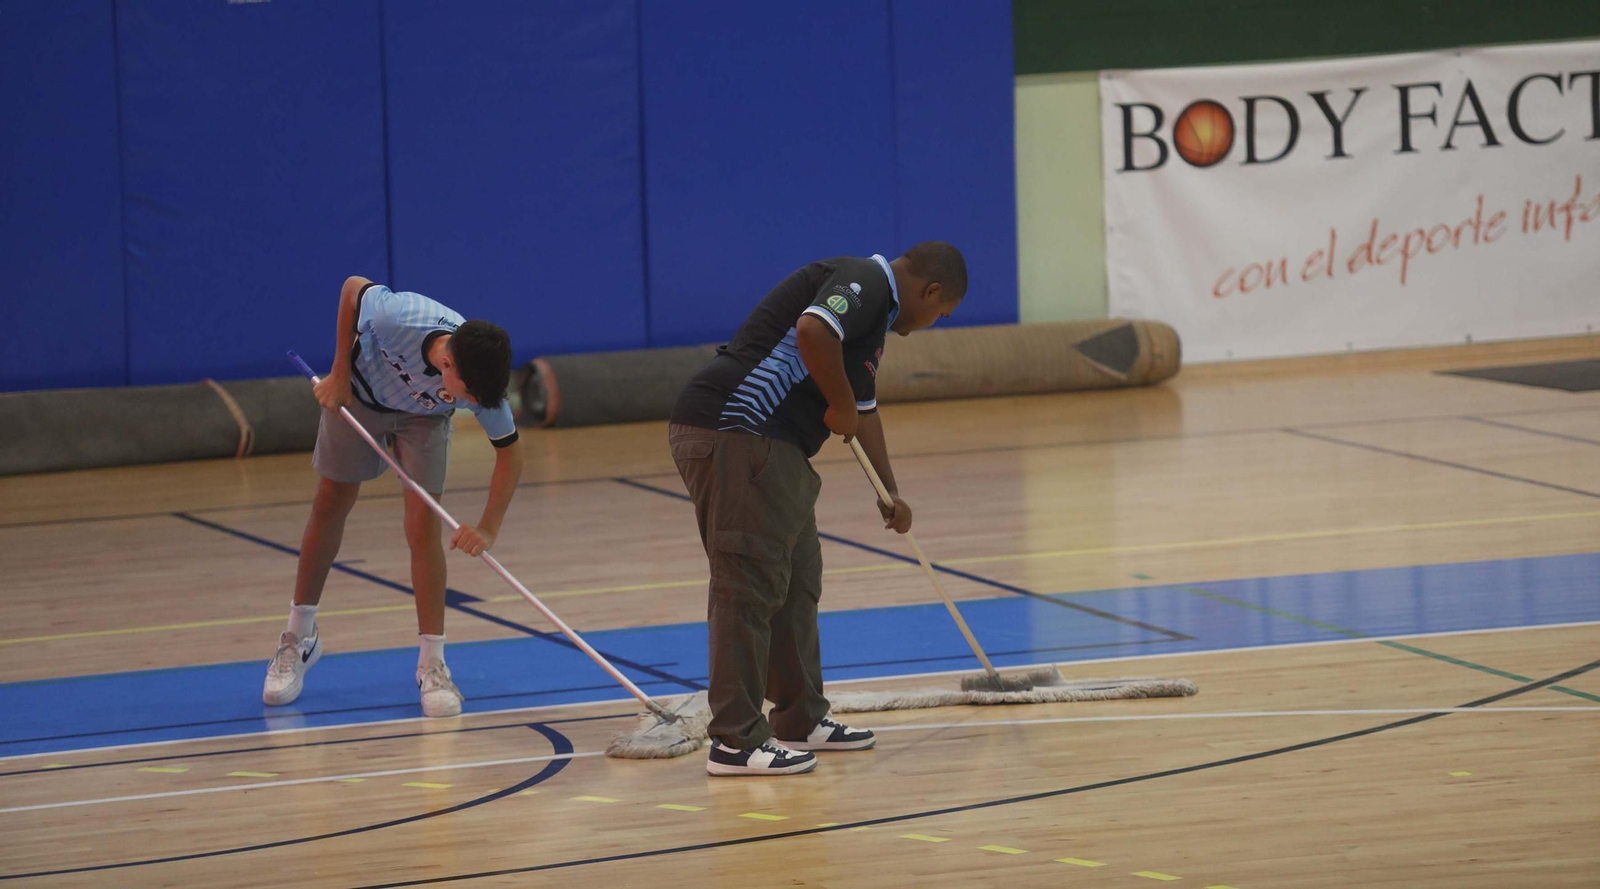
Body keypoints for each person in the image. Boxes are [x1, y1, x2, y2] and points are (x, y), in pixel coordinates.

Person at [668, 242, 967, 775]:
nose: (933, 324)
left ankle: (800, 718)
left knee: (798, 578)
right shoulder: (865, 281)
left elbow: (864, 412)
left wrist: (889, 493)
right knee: (749, 582)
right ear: (931, 291)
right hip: (738, 428)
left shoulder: (873, 327)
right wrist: (841, 402)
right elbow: (812, 332)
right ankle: (735, 741)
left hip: (773, 447)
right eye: (940, 315)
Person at [262, 275, 524, 717]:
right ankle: (299, 639)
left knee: (422, 525)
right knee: (331, 501)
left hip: (423, 419)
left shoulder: (481, 384)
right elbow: (350, 288)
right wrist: (339, 375)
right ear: (448, 364)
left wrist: (488, 527)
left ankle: (432, 665)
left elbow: (510, 456)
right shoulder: (398, 316)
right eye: (471, 395)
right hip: (360, 395)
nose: (475, 404)